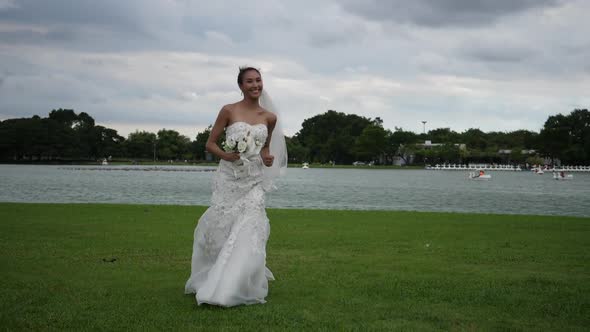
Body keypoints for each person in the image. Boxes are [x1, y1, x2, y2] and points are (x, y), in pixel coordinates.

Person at [184, 67, 287, 307]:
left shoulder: (269, 117)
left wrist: (267, 158)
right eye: (249, 81)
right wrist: (227, 155)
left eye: (258, 80)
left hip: (254, 180)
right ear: (241, 86)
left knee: (251, 226)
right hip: (229, 178)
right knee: (222, 227)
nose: (255, 85)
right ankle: (214, 273)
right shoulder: (228, 110)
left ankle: (236, 283)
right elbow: (210, 144)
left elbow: (264, 149)